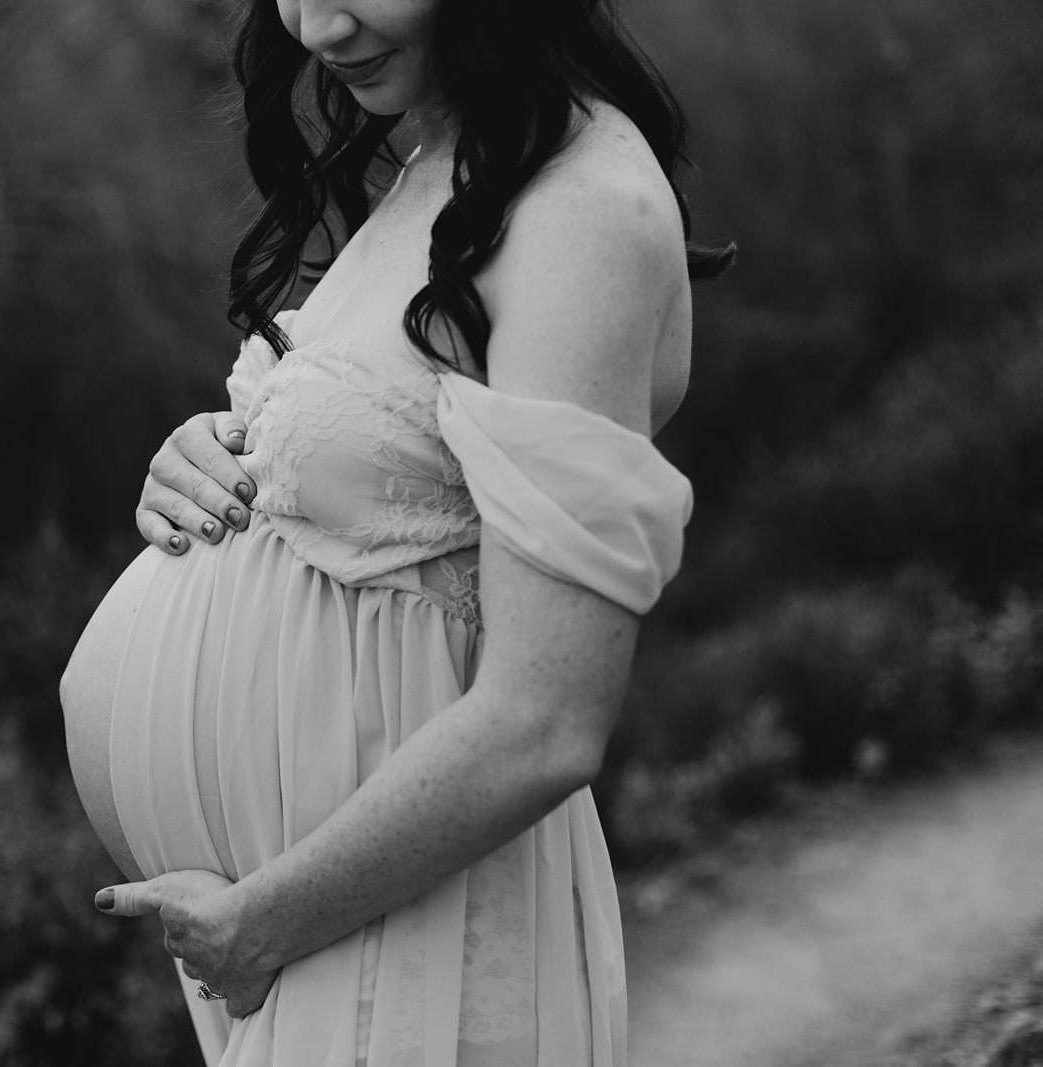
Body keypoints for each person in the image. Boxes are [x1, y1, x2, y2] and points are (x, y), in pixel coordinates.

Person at [59, 0, 733, 1063]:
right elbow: (371, 454)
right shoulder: (444, 158)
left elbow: (546, 717)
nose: (318, 26)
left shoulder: (584, 211)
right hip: (325, 931)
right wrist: (211, 457)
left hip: (406, 947)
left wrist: (264, 918)